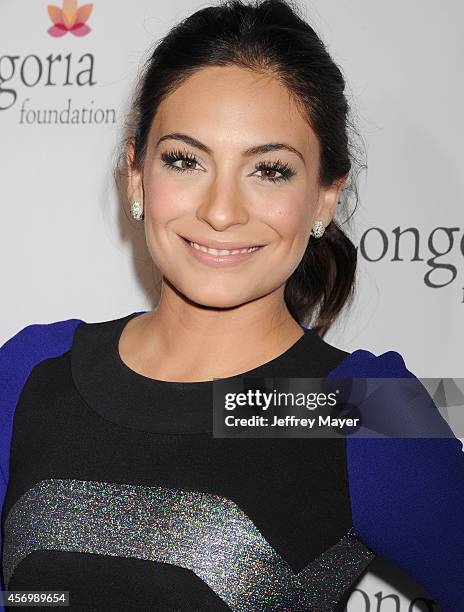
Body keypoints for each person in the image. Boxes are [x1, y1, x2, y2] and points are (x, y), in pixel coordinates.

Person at [1, 1, 463, 610]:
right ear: (137, 175)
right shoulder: (33, 369)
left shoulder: (365, 406)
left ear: (325, 198)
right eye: (185, 160)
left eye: (269, 170)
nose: (221, 211)